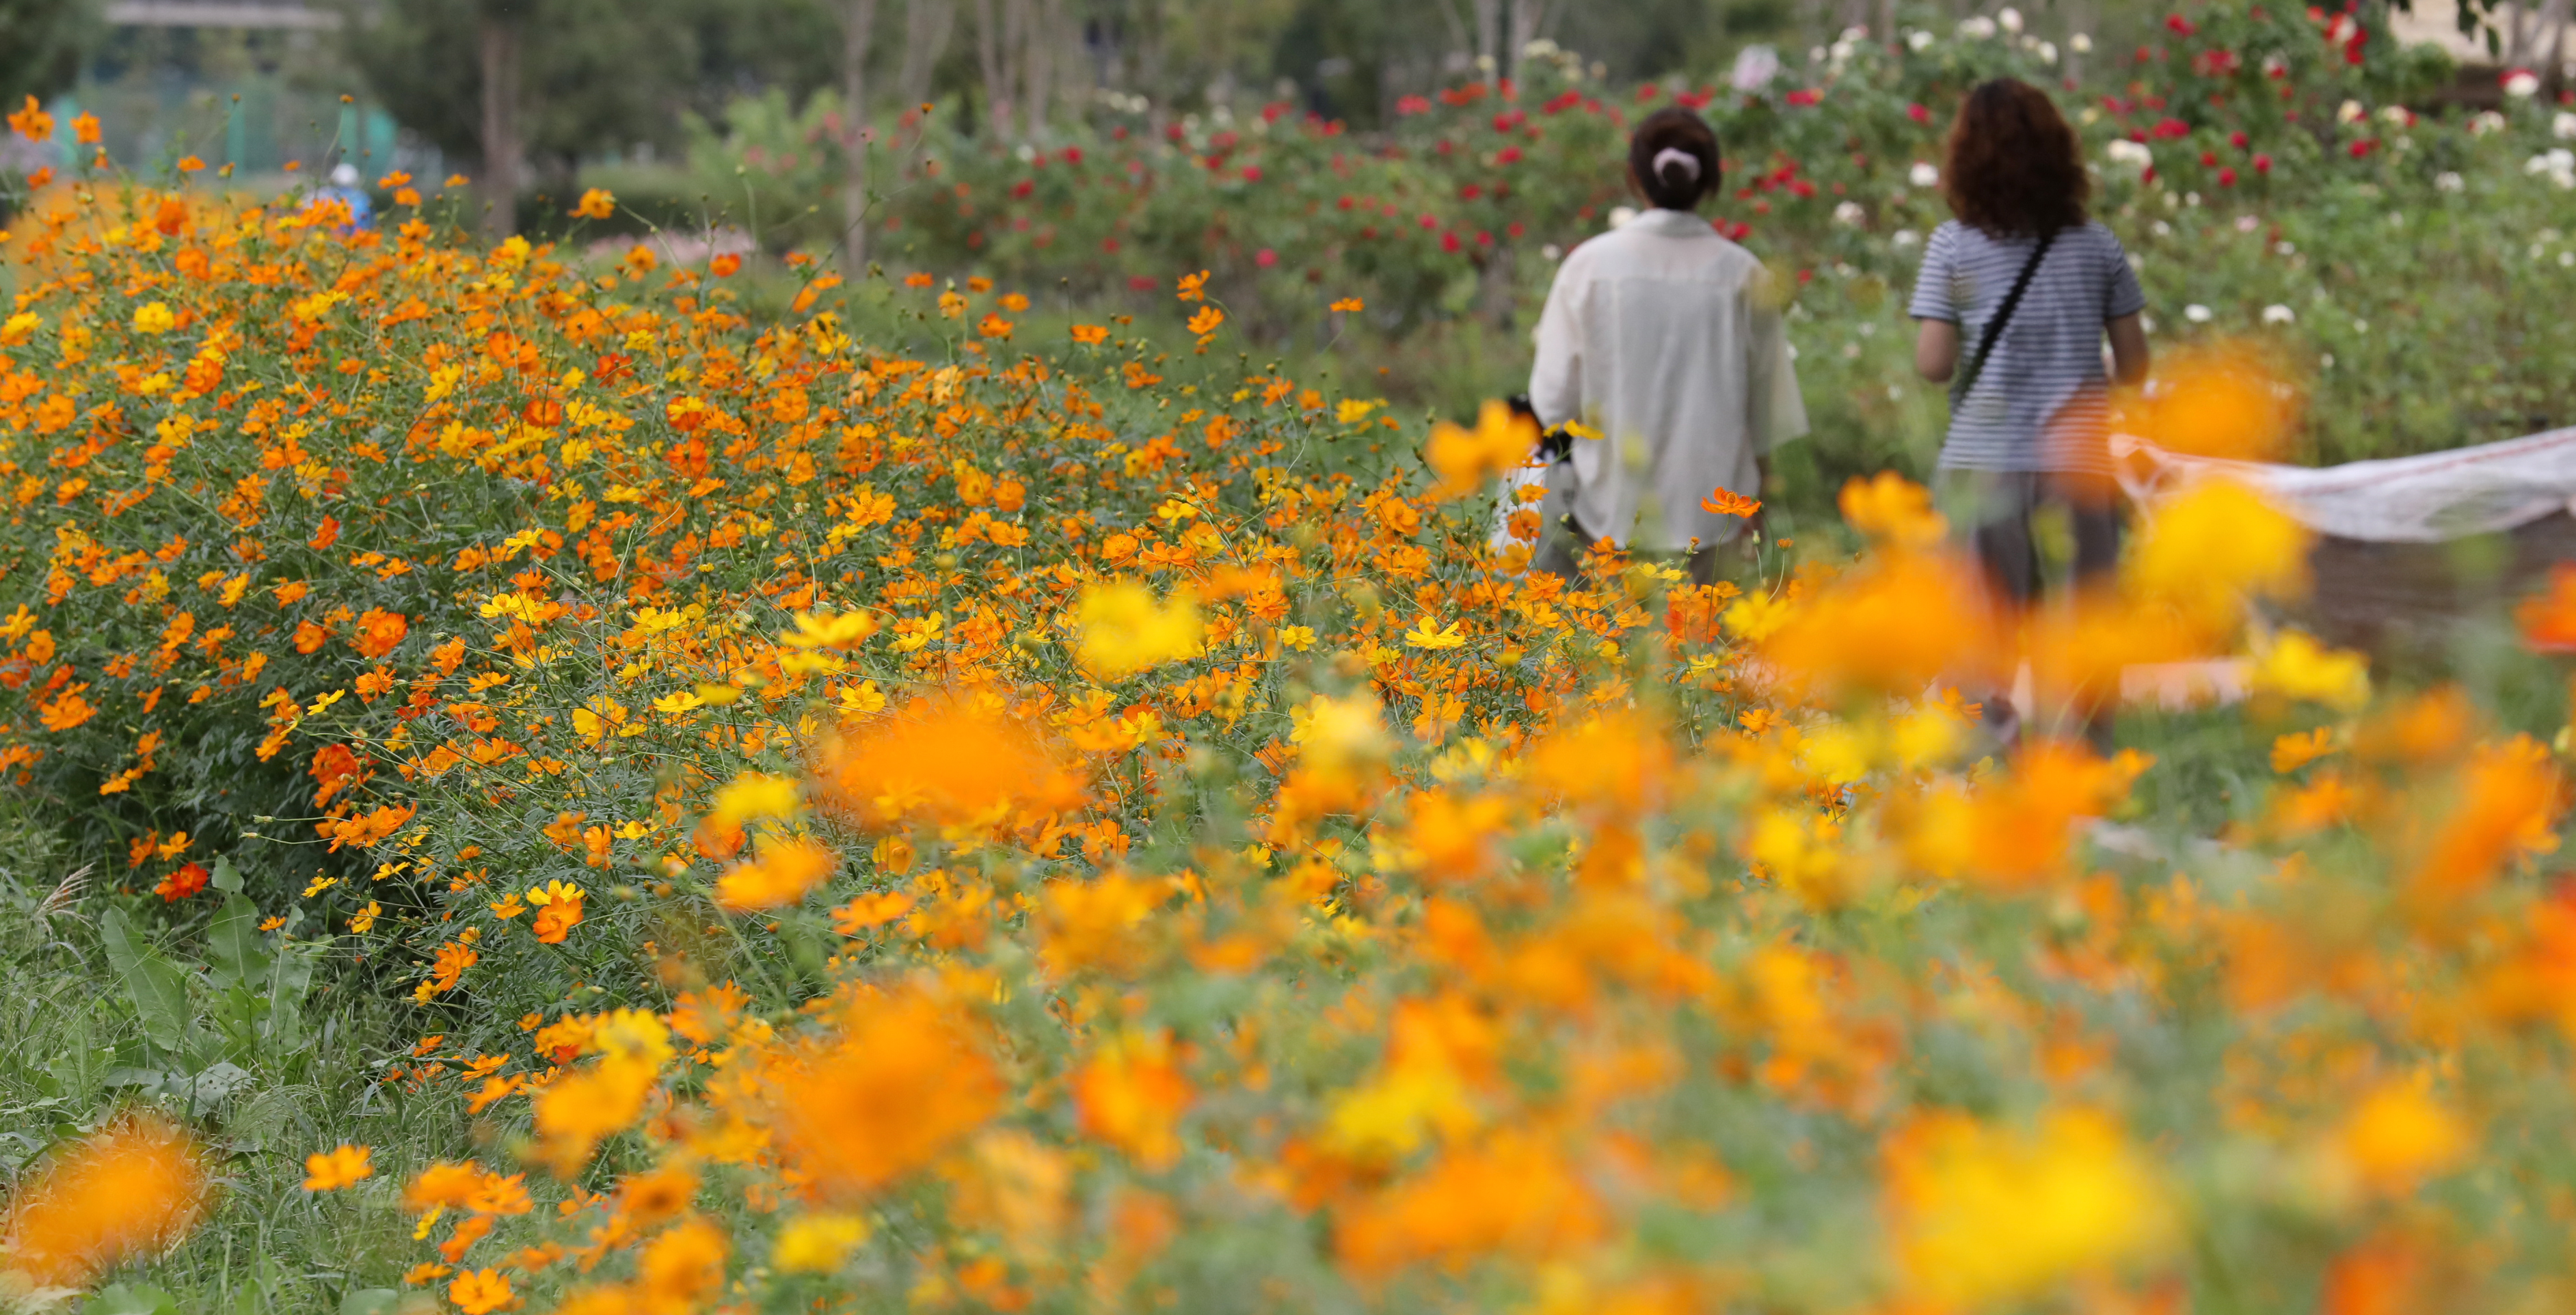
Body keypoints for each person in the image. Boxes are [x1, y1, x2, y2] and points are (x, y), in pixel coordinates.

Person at [1909, 77, 2149, 744]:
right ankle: (2082, 772)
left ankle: (1989, 766)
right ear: (2059, 155)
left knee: (1978, 628)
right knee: (2085, 626)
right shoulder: (2097, 245)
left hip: (1983, 462)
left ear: (1964, 160)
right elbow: (2134, 366)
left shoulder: (1952, 247)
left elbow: (1933, 364)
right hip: (2079, 462)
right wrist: (2077, 366)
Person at [1527, 106, 1808, 586]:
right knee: (1711, 658)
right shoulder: (1742, 274)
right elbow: (1764, 413)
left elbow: (1552, 402)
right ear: (1711, 182)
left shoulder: (1590, 267)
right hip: (1718, 521)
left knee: (1612, 655)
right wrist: (1757, 502)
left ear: (1635, 177)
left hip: (1609, 517)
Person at [312, 162, 375, 233]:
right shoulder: (363, 197)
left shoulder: (326, 195)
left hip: (330, 236)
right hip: (358, 237)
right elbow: (370, 223)